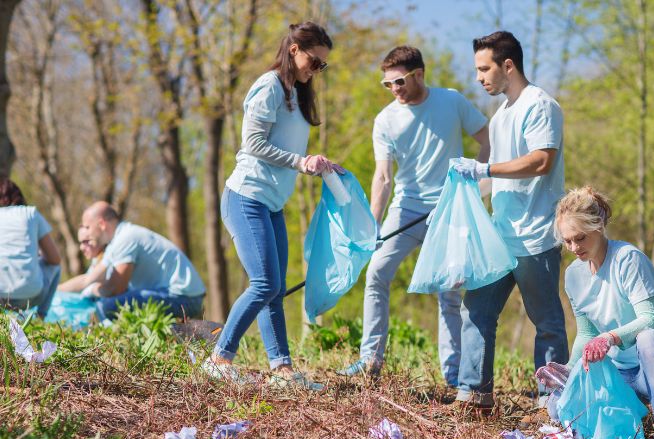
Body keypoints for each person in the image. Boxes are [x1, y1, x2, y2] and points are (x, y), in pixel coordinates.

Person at [338, 45, 490, 386]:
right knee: (376, 272)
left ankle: (453, 373)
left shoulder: (451, 101)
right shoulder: (386, 120)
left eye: (400, 81)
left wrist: (473, 188)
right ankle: (370, 360)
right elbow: (383, 177)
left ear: (419, 74)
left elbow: (487, 140)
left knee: (449, 291)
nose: (394, 90)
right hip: (405, 209)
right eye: (387, 84)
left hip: (448, 210)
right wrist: (373, 225)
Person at [202, 22, 340, 390]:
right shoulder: (269, 87)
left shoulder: (298, 94)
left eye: (322, 66)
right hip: (246, 198)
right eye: (314, 61)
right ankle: (218, 358)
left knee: (275, 289)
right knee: (264, 284)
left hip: (271, 205)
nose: (317, 70)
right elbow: (253, 143)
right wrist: (300, 161)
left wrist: (319, 165)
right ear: (294, 50)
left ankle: (281, 371)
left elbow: (290, 150)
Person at [452, 31, 568, 410]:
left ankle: (553, 406)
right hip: (500, 236)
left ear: (508, 65)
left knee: (546, 323)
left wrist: (485, 167)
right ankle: (474, 396)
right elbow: (495, 175)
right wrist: (462, 192)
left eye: (484, 69)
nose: (479, 78)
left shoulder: (540, 105)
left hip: (536, 237)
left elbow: (541, 161)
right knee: (476, 310)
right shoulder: (500, 113)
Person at [547, 185, 654, 439]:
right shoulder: (573, 276)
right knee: (557, 406)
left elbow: (651, 319)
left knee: (648, 337)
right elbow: (587, 333)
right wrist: (567, 371)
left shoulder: (628, 259)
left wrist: (610, 338)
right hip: (620, 377)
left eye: (580, 238)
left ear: (599, 226)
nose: (574, 248)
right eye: (567, 241)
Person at [76, 201, 206, 320]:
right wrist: (57, 291)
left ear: (101, 224)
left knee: (109, 305)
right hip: (179, 296)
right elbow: (87, 279)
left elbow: (115, 289)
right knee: (109, 302)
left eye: (87, 227)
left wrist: (93, 290)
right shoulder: (117, 241)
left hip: (184, 299)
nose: (86, 232)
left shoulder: (126, 238)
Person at [0, 178, 61, 318]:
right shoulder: (30, 213)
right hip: (28, 295)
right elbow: (55, 259)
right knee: (56, 267)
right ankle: (41, 317)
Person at [58, 227, 106, 293]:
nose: (81, 247)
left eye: (86, 241)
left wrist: (56, 290)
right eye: (81, 242)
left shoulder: (107, 259)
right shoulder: (96, 259)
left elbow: (86, 280)